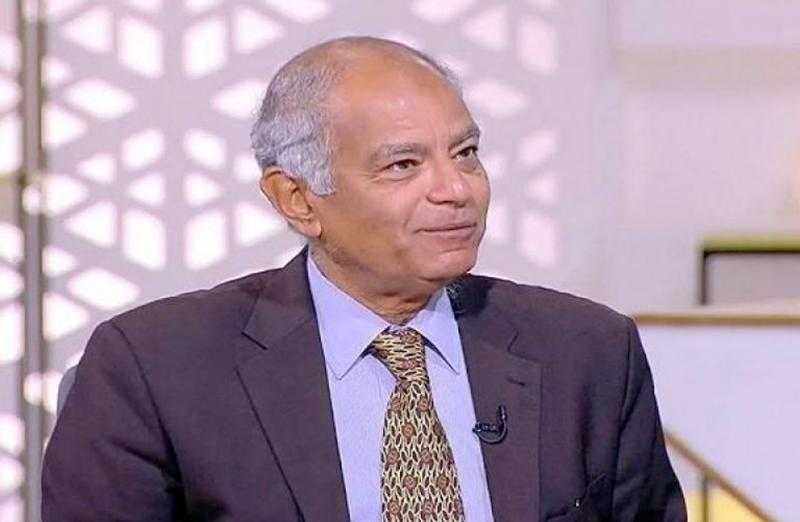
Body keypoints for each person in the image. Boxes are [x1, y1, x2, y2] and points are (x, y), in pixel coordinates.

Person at [42, 36, 686, 521]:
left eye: (465, 154)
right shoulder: (154, 369)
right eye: (404, 165)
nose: (456, 189)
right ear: (297, 199)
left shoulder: (588, 352)